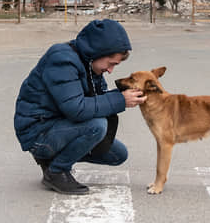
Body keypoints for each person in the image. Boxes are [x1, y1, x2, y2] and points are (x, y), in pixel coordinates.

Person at [14, 19, 146, 195]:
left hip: (57, 125)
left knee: (117, 154)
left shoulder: (90, 64)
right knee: (97, 126)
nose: (110, 70)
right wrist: (120, 100)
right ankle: (56, 172)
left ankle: (51, 160)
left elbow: (96, 99)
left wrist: (124, 95)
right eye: (111, 63)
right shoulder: (61, 59)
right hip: (37, 132)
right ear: (98, 52)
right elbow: (76, 108)